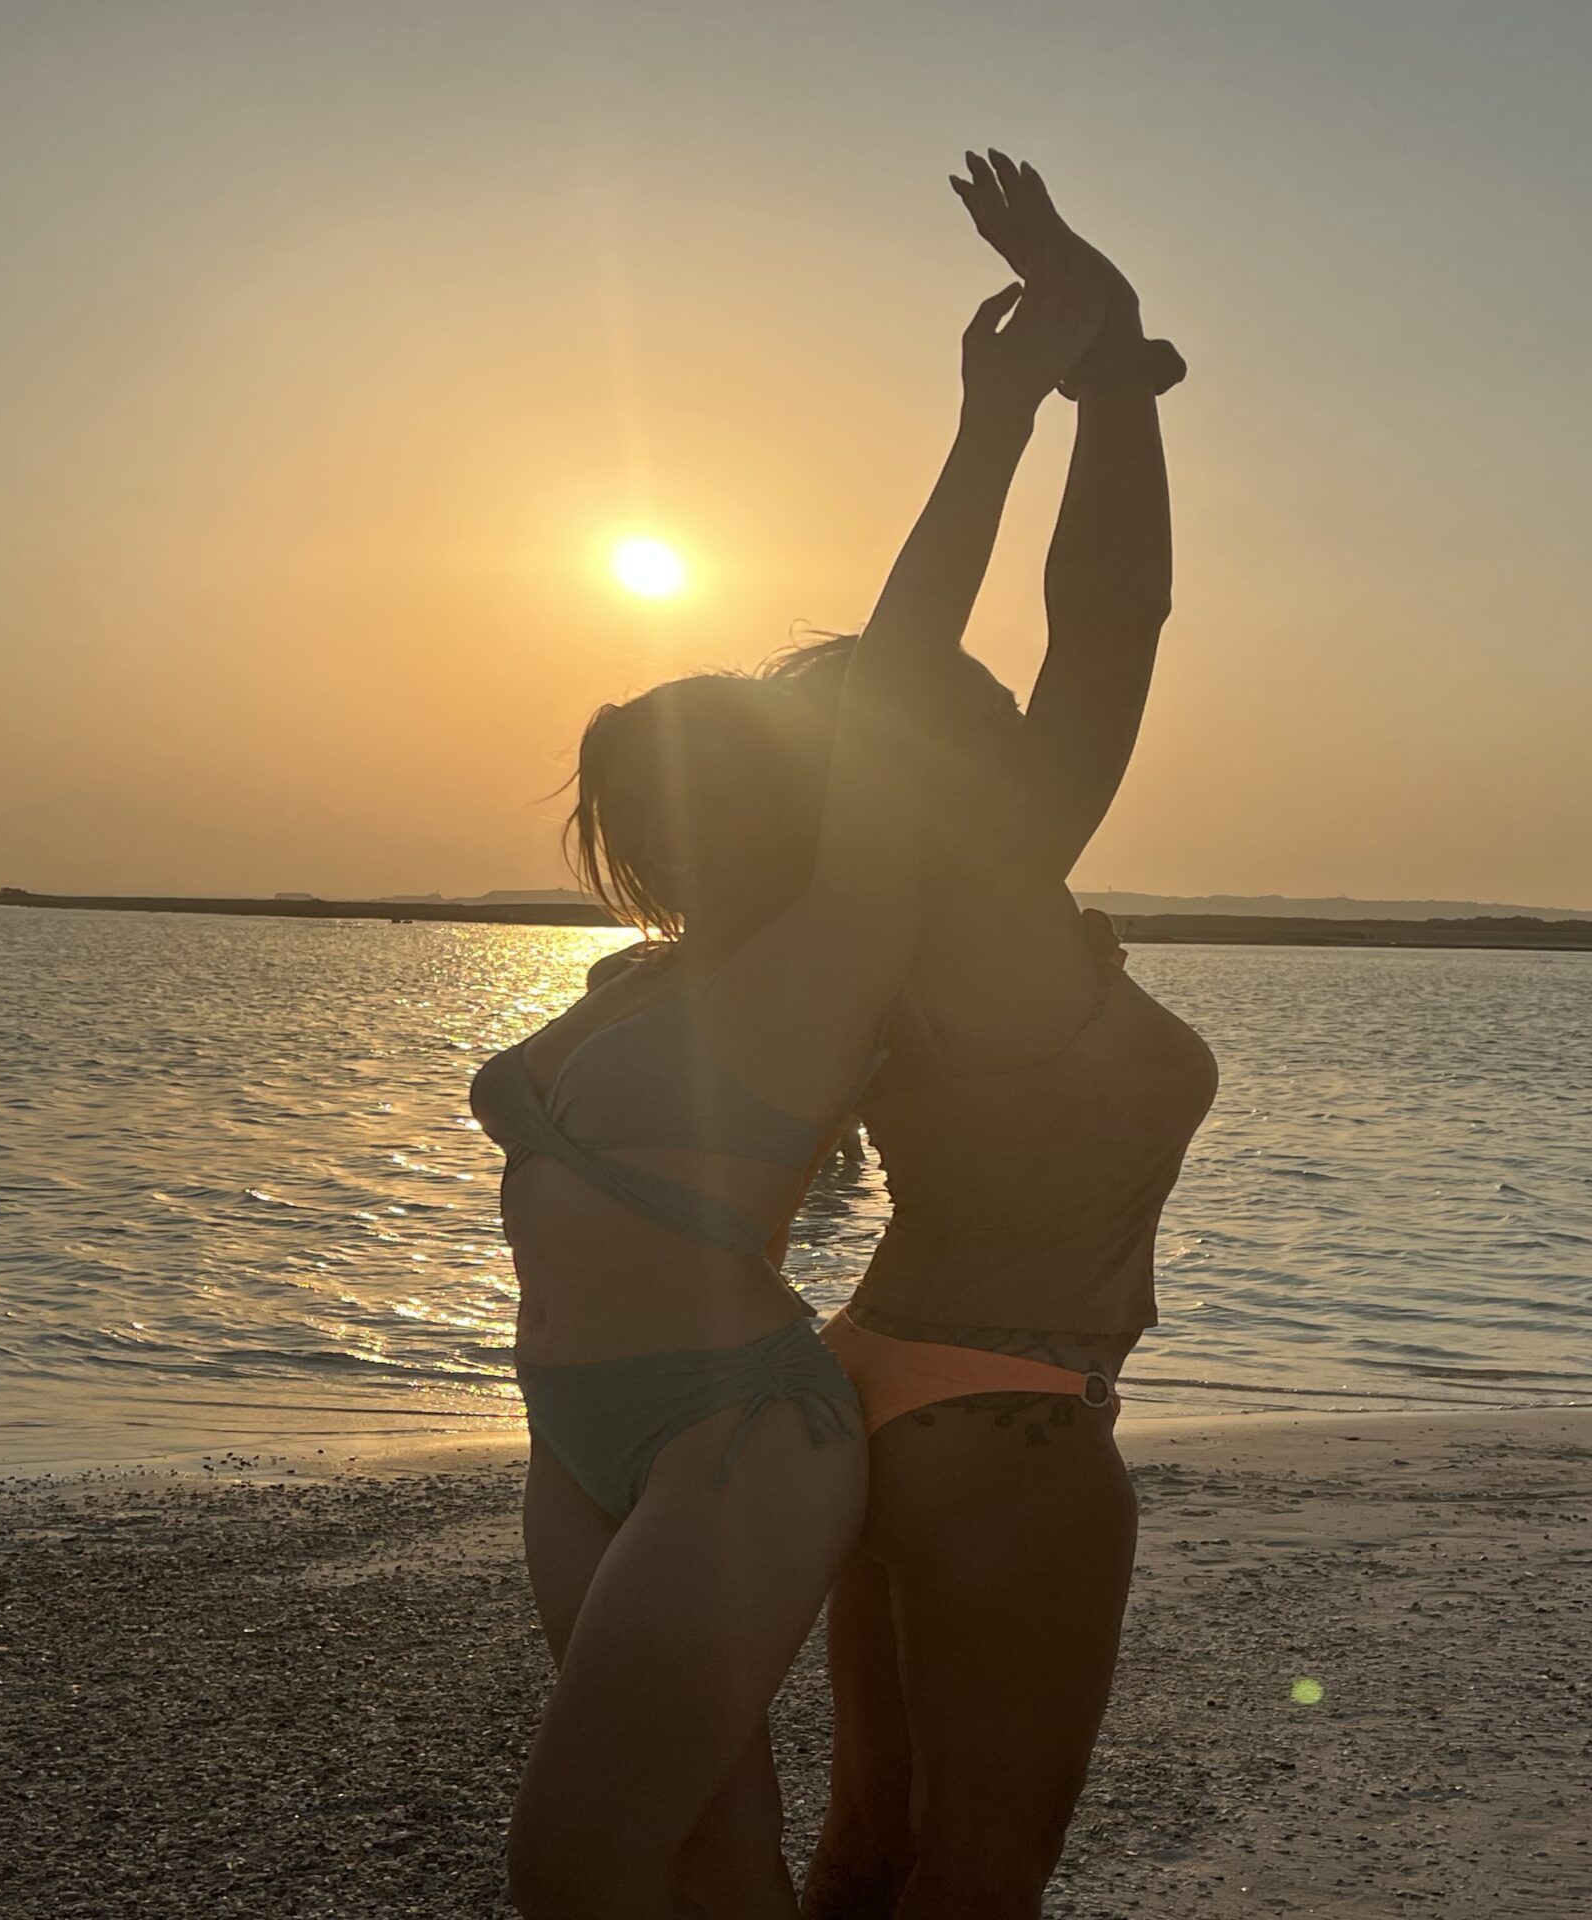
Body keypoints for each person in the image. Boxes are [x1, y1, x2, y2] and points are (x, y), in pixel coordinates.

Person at [470, 260, 1107, 1918]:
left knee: (570, 1867)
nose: (661, 837)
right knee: (706, 1842)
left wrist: (996, 421)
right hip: (571, 1434)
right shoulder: (641, 978)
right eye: (631, 810)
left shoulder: (837, 942)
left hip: (735, 1434)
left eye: (689, 795)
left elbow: (908, 663)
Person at [796, 153, 1218, 1920]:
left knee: (877, 1852)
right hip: (1005, 1419)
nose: (1037, 726)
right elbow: (1111, 623)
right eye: (993, 715)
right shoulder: (964, 909)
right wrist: (1071, 385)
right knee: (977, 1887)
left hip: (887, 1388)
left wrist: (1079, 371)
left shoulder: (859, 932)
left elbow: (1082, 639)